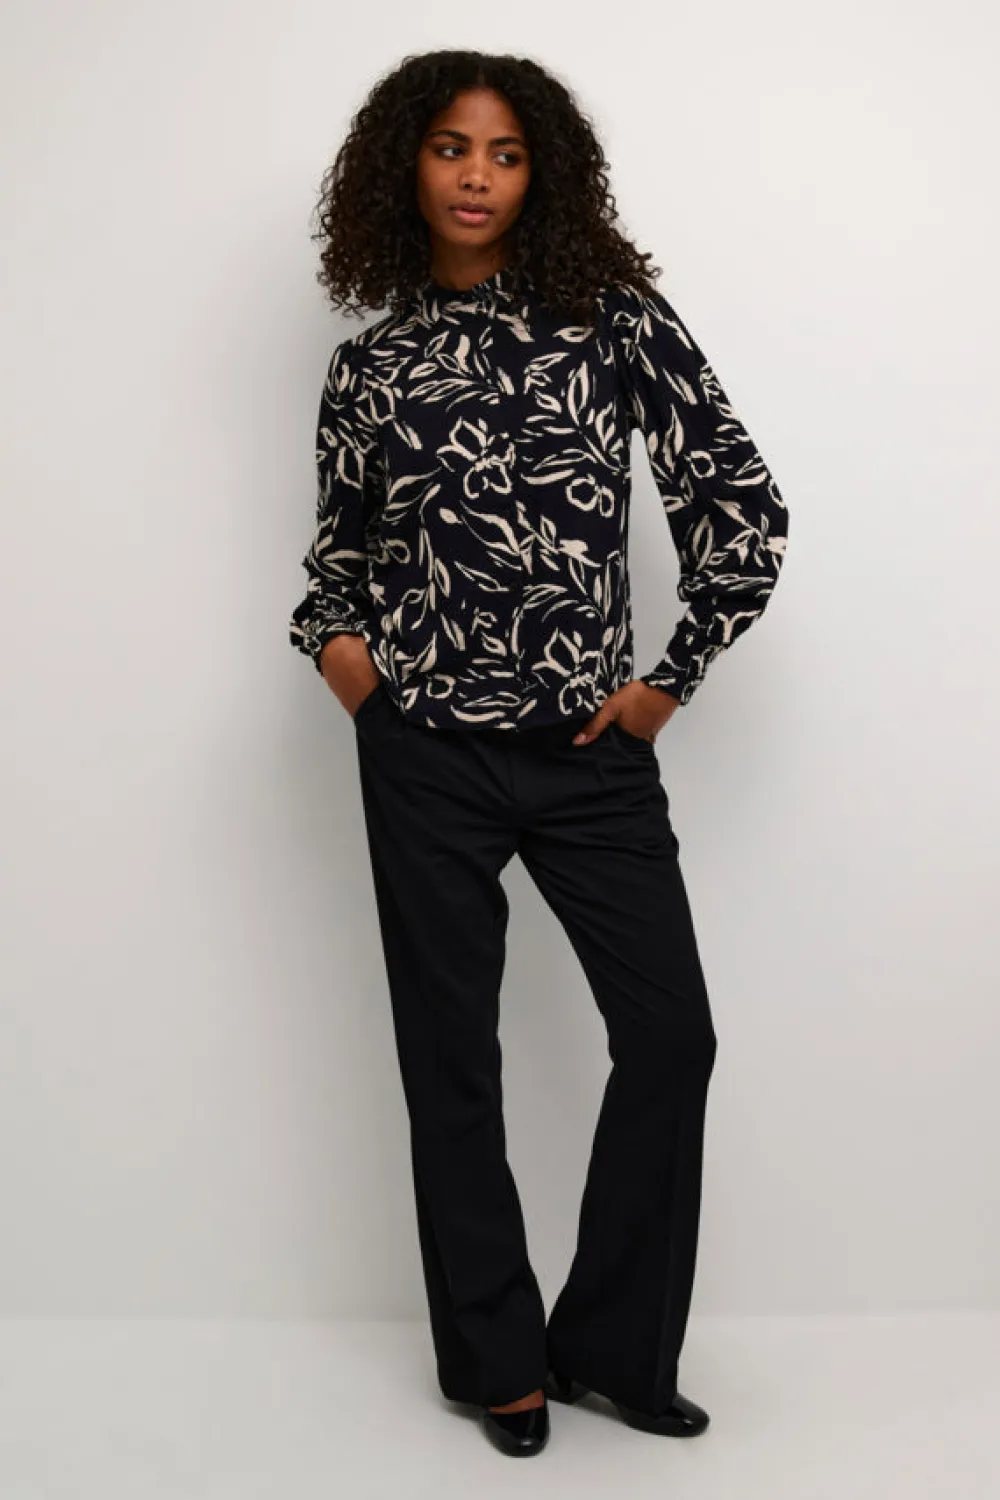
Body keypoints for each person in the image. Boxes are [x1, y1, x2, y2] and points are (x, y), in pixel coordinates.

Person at [289, 49, 788, 1458]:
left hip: (588, 756)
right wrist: (356, 677)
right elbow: (335, 564)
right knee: (451, 1062)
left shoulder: (610, 321)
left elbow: (739, 503)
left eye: (506, 154)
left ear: (542, 174)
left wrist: (667, 684)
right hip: (425, 759)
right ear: (405, 165)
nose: (476, 176)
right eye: (451, 147)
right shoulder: (371, 363)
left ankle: (613, 1352)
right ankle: (497, 1363)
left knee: (671, 1040)